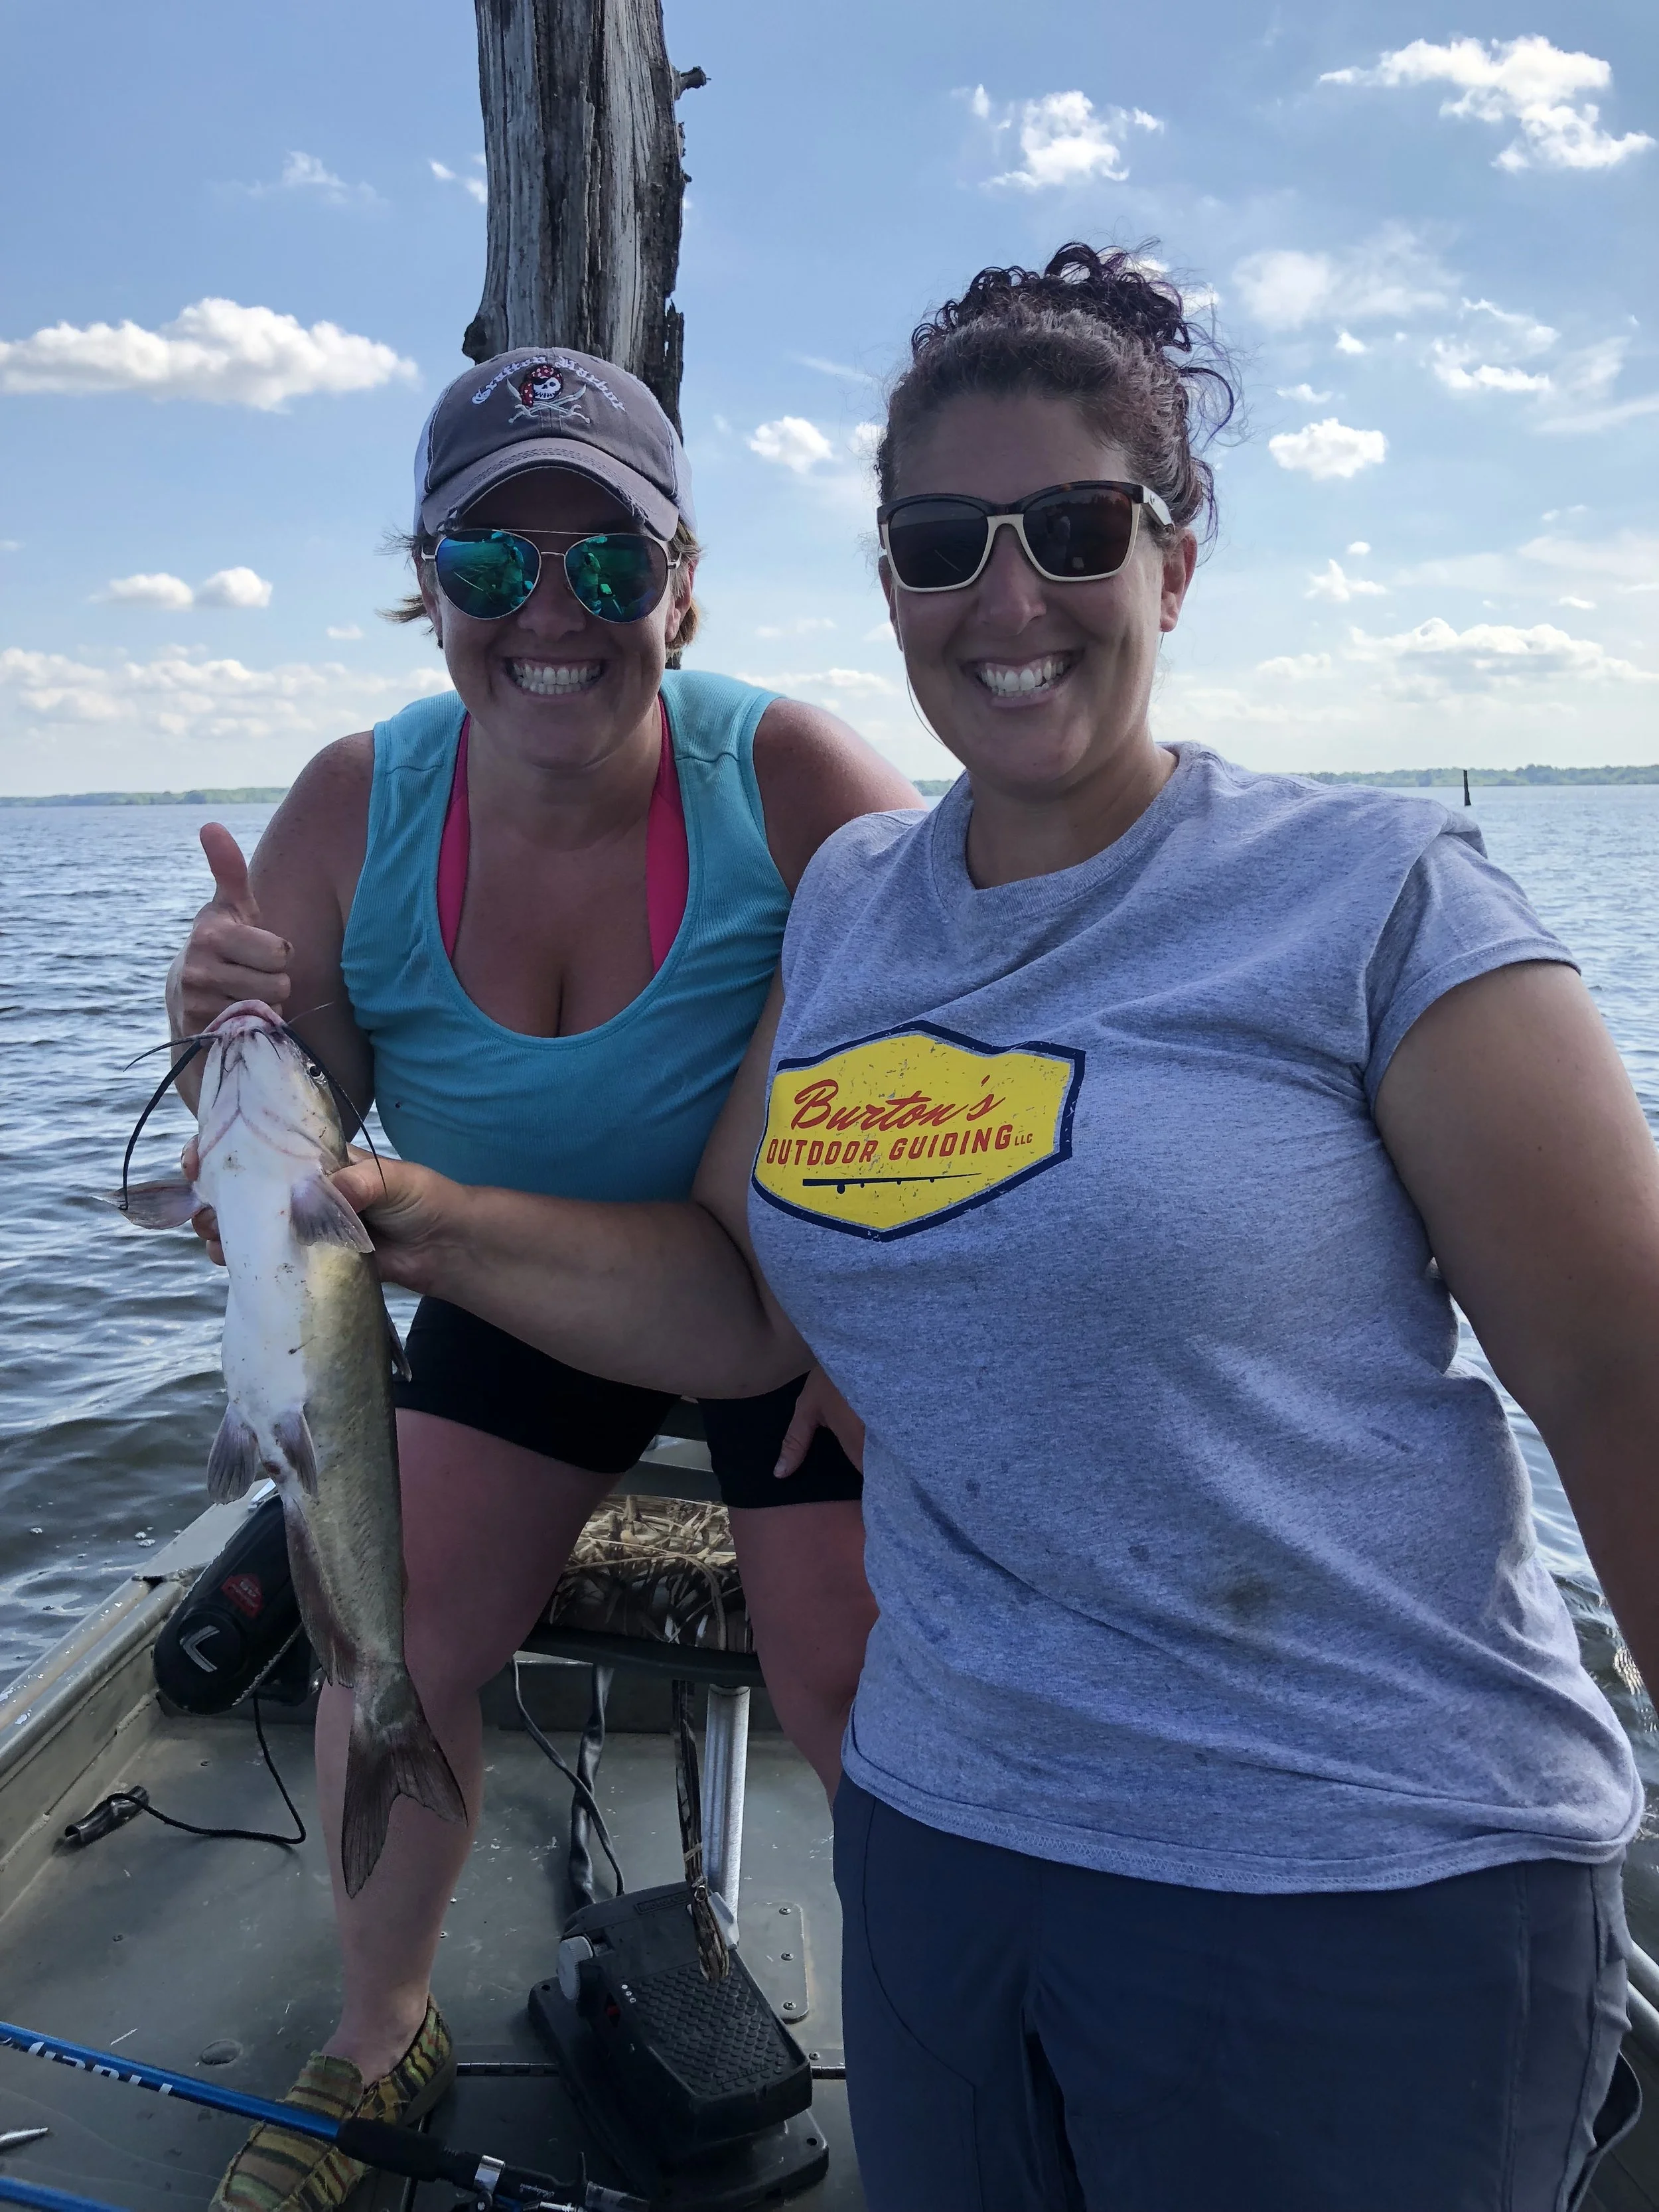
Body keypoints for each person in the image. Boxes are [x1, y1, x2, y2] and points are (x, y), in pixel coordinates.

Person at [306, 245, 1659, 2210]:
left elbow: (1622, 1379)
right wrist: (383, 1202)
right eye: (945, 541)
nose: (1006, 595)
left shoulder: (1373, 894)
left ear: (1172, 563)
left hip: (1354, 1855)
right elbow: (733, 1293)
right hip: (954, 1848)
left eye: (1074, 529)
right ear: (888, 587)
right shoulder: (851, 909)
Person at [167, 343, 914, 2212]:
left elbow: (968, 1045)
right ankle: (381, 2023)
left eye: (606, 559)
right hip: (507, 1282)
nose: (549, 612)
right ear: (427, 586)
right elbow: (294, 1119)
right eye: (491, 566)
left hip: (785, 1286)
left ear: (681, 578)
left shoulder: (799, 777)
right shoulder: (353, 806)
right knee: (390, 1637)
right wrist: (214, 1053)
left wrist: (898, 1312)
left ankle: (958, 2045)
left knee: (854, 1677)